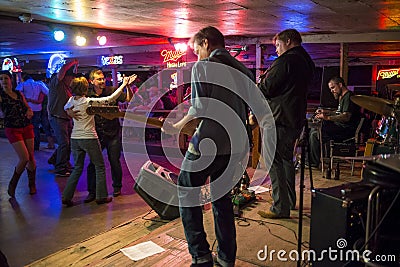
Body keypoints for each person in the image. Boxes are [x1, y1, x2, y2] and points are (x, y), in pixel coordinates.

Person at [162, 26, 253, 267]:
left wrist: (175, 126)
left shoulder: (203, 67)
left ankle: (201, 256)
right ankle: (226, 258)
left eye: (196, 49)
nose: (196, 55)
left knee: (187, 191)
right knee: (222, 200)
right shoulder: (243, 69)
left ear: (205, 43)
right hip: (236, 145)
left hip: (207, 144)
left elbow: (199, 109)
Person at [257, 29, 315, 219]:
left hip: (278, 119)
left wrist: (261, 81)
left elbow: (266, 88)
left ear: (288, 41)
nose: (277, 50)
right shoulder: (307, 62)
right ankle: (289, 201)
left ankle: (279, 207)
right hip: (294, 119)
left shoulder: (286, 61)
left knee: (274, 162)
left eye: (278, 45)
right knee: (286, 160)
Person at [62, 74, 136, 207]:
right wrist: (124, 84)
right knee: (100, 166)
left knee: (77, 168)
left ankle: (66, 196)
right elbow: (110, 99)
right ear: (86, 87)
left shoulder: (71, 100)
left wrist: (69, 112)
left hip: (75, 138)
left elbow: (65, 107)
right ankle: (101, 196)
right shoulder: (87, 101)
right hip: (89, 137)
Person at [308, 76, 361, 167]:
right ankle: (312, 159)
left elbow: (346, 116)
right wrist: (326, 112)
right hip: (340, 128)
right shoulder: (343, 97)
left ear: (340, 85)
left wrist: (327, 118)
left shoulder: (349, 97)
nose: (332, 91)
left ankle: (314, 162)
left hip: (345, 130)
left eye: (333, 87)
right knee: (313, 130)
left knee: (315, 134)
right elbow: (338, 112)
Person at [0, 70, 37, 197]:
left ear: (11, 80)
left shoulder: (18, 93)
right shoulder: (1, 96)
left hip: (26, 126)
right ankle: (13, 184)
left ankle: (32, 184)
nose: (3, 81)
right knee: (24, 158)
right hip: (12, 128)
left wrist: (29, 111)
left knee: (31, 157)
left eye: (6, 78)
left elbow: (28, 107)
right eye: (1, 79)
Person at [47, 59, 79, 177]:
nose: (72, 80)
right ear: (64, 77)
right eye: (70, 77)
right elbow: (63, 70)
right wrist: (73, 62)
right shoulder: (57, 84)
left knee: (67, 143)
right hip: (57, 117)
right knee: (64, 143)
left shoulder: (67, 89)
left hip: (65, 118)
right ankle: (60, 167)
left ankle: (58, 160)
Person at [16, 74, 49, 151]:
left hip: (27, 108)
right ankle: (36, 145)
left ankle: (28, 145)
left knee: (26, 127)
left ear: (24, 79)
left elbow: (17, 92)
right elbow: (47, 92)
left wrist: (25, 98)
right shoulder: (39, 84)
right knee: (36, 127)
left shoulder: (23, 84)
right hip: (37, 108)